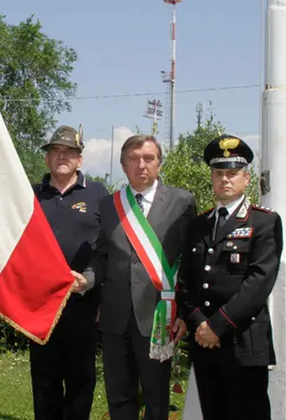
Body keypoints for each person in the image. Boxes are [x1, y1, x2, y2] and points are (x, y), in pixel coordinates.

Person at [72, 134, 196, 420]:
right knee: (119, 395)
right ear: (123, 165)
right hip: (116, 318)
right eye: (134, 159)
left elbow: (189, 261)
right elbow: (101, 257)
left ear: (159, 163)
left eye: (149, 158)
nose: (142, 165)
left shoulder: (182, 201)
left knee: (156, 399)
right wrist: (87, 280)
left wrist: (185, 313)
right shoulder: (110, 205)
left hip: (158, 317)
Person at [177, 135, 282, 420]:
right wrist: (199, 323)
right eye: (219, 173)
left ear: (246, 179)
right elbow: (186, 282)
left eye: (232, 174)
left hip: (243, 341)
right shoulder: (200, 224)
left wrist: (219, 325)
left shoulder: (264, 222)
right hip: (205, 344)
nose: (225, 180)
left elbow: (259, 281)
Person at [29, 126, 108, 420]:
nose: (62, 157)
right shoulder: (32, 195)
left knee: (81, 381)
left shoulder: (98, 193)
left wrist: (92, 281)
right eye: (55, 151)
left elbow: (107, 249)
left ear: (80, 159)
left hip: (83, 304)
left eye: (69, 152)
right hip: (41, 305)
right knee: (44, 380)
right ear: (47, 158)